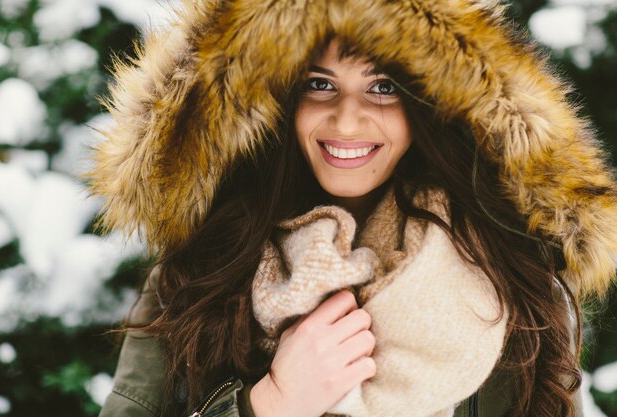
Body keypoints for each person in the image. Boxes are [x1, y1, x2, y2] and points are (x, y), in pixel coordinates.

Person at [86, 1, 617, 417]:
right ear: (276, 100)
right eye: (319, 85)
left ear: (433, 103)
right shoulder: (198, 273)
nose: (346, 122)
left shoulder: (512, 283)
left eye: (383, 87)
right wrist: (268, 406)